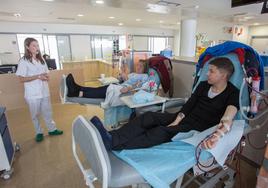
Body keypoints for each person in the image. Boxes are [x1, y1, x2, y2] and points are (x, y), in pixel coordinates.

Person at [89, 57, 240, 150]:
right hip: (184, 118)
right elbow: (189, 105)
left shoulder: (232, 93)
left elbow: (228, 117)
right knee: (148, 117)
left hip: (197, 128)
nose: (207, 74)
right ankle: (111, 136)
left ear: (224, 75)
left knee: (160, 131)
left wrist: (219, 134)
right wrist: (176, 120)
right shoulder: (203, 85)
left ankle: (116, 145)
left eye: (211, 71)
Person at [16, 38, 63, 142]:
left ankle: (52, 129)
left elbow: (46, 73)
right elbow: (21, 79)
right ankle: (39, 132)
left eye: (37, 45)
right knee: (35, 115)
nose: (36, 48)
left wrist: (46, 77)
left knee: (47, 112)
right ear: (27, 47)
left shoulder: (41, 59)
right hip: (32, 94)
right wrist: (37, 76)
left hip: (44, 91)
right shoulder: (23, 61)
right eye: (34, 46)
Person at [66, 60, 150, 108]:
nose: (138, 67)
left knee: (97, 92)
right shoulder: (133, 74)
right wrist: (122, 73)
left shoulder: (144, 76)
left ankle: (75, 92)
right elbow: (126, 79)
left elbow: (138, 86)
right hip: (118, 85)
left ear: (144, 68)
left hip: (121, 90)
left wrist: (128, 88)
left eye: (141, 66)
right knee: (97, 89)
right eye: (138, 65)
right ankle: (77, 87)